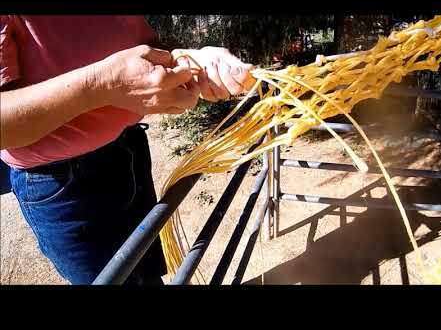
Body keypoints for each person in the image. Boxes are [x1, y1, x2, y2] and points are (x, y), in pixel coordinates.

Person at [0, 15, 256, 285]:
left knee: (146, 269)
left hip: (128, 148)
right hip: (60, 183)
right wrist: (104, 83)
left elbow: (141, 45)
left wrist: (188, 60)